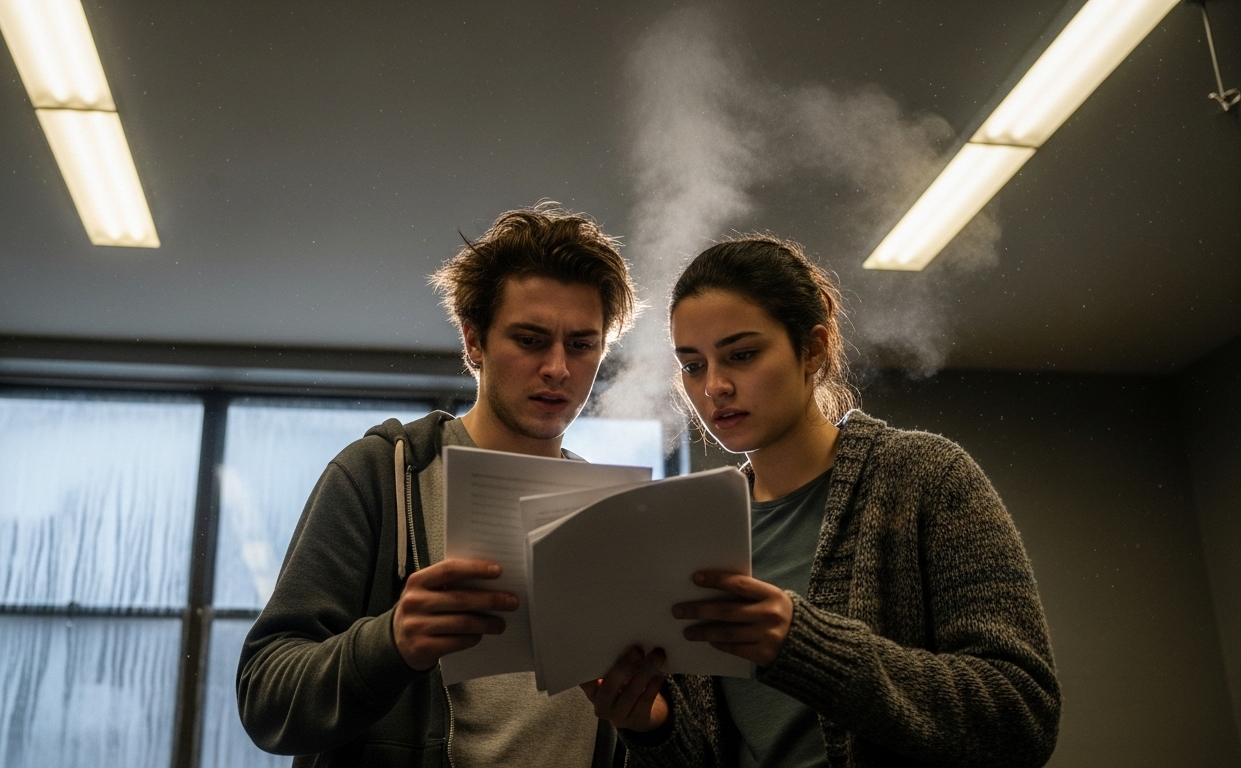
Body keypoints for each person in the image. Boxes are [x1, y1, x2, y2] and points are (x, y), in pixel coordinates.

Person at [582, 235, 1060, 768]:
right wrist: (653, 726)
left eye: (742, 355)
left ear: (812, 349)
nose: (715, 385)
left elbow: (1021, 715)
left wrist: (804, 646)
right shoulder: (695, 530)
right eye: (693, 366)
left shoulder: (925, 477)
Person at [236, 202, 640, 767]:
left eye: (581, 344)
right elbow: (266, 698)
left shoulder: (610, 515)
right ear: (474, 343)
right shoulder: (383, 474)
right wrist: (393, 642)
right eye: (529, 340)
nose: (557, 368)